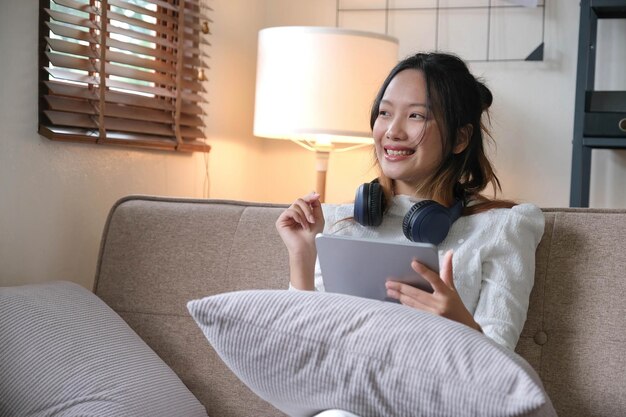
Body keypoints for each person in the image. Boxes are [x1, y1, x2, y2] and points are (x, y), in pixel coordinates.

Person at [275, 52, 545, 351]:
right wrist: (302, 255)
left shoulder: (503, 227)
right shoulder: (333, 222)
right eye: (385, 113)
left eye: (416, 115)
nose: (392, 132)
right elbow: (297, 348)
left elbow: (501, 369)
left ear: (459, 138)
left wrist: (460, 325)